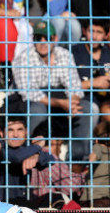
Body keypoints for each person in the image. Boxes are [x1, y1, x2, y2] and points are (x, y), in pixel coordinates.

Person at [12, 22, 97, 162]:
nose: (43, 42)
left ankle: (77, 158)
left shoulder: (64, 54)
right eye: (39, 38)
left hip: (61, 102)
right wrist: (61, 103)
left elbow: (74, 85)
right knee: (37, 110)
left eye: (47, 38)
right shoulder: (24, 58)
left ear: (55, 39)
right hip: (34, 103)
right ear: (33, 39)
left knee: (89, 108)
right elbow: (29, 93)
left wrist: (73, 103)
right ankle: (32, 154)